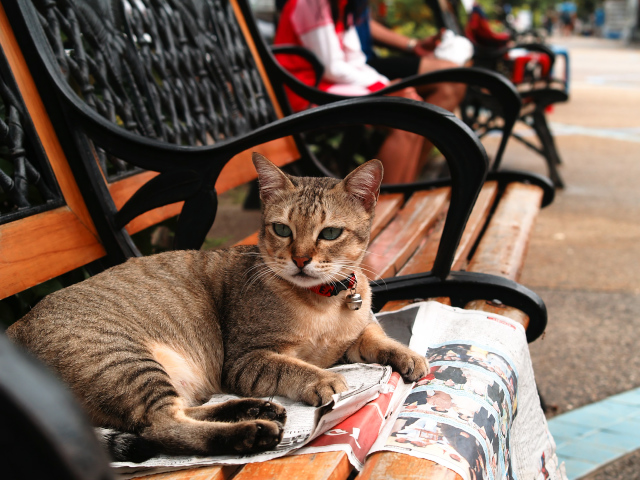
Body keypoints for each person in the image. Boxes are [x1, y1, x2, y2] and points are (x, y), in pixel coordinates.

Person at [273, 0, 470, 183]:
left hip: (330, 85)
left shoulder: (342, 4)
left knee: (412, 106)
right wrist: (383, 89)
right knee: (403, 117)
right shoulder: (310, 3)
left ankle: (402, 201)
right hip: (308, 93)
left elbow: (355, 59)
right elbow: (332, 68)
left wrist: (390, 85)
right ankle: (384, 209)